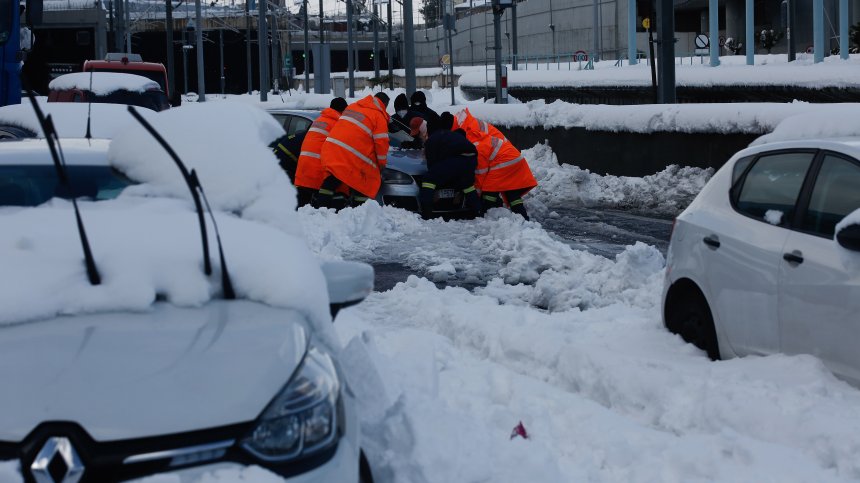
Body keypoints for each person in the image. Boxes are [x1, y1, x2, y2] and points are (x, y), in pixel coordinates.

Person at [453, 108, 537, 220]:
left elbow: (480, 175)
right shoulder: (475, 135)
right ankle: (523, 218)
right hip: (513, 159)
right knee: (510, 192)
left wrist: (474, 196)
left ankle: (486, 214)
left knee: (489, 190)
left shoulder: (477, 148)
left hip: (504, 162)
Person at [317, 92, 391, 207]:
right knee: (364, 182)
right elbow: (381, 143)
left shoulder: (353, 106)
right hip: (349, 154)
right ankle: (358, 210)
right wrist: (382, 163)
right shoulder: (378, 116)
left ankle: (319, 208)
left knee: (332, 180)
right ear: (385, 104)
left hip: (332, 148)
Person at [418, 112, 480, 219]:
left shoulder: (432, 139)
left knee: (428, 179)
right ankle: (477, 210)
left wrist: (436, 187)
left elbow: (433, 165)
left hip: (459, 158)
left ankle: (426, 211)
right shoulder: (448, 134)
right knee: (467, 184)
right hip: (472, 157)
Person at [294, 97, 348, 208]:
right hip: (318, 168)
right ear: (343, 110)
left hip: (304, 167)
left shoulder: (319, 120)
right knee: (324, 203)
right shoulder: (338, 124)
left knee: (303, 208)